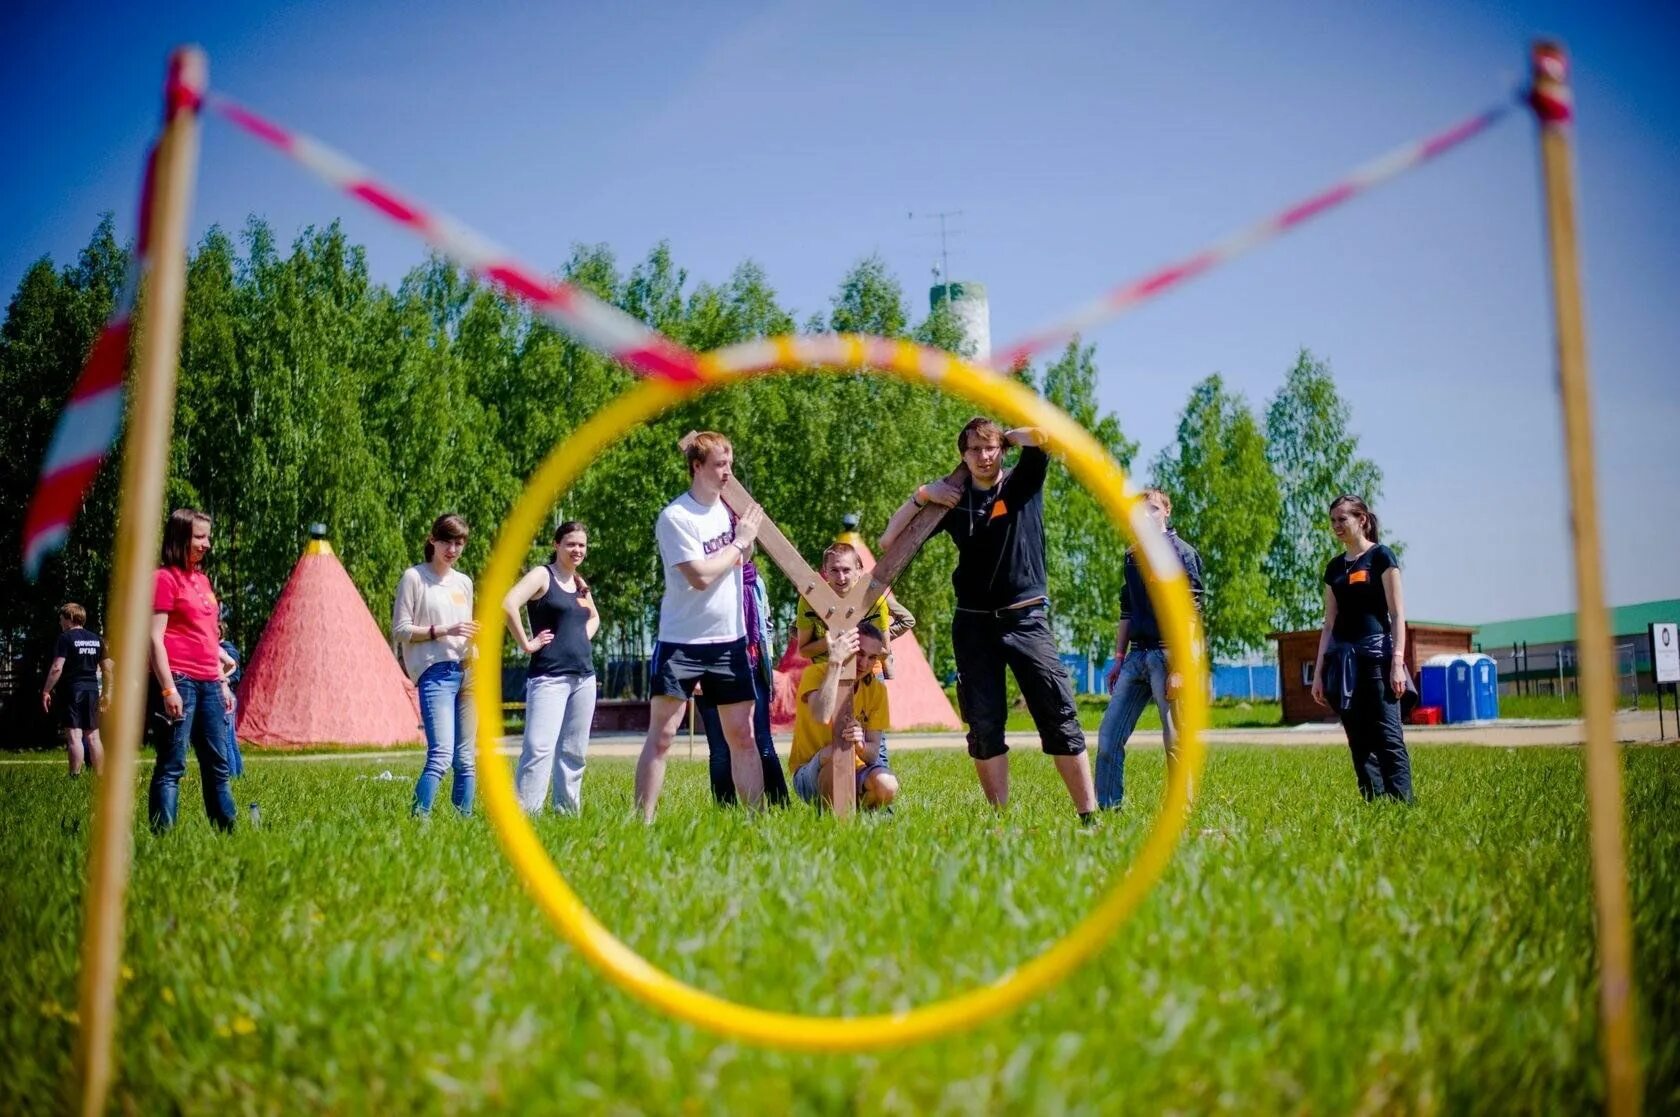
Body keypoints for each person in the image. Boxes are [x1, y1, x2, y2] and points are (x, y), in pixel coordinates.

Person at [882, 418, 1097, 820]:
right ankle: (1000, 820)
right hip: (974, 625)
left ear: (1002, 450)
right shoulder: (951, 501)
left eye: (990, 448)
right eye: (974, 450)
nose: (983, 457)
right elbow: (888, 542)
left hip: (1025, 618)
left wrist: (1010, 437)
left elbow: (1044, 436)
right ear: (962, 455)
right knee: (983, 724)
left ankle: (1089, 816)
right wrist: (922, 495)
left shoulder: (1022, 482)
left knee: (1058, 712)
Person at [634, 431, 765, 821]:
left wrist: (746, 540)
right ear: (696, 467)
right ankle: (642, 822)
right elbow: (701, 576)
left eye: (730, 464)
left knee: (742, 735)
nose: (728, 473)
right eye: (719, 465)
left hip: (730, 641)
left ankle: (757, 822)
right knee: (663, 735)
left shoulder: (729, 510)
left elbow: (746, 554)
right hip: (682, 643)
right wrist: (740, 543)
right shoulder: (675, 517)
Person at [1094, 488, 1204, 809]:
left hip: (1168, 656)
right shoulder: (1132, 555)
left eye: (1153, 509)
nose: (1146, 516)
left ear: (1166, 512)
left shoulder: (1182, 554)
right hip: (1135, 657)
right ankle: (1109, 809)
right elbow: (1126, 612)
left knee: (1174, 740)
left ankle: (1180, 812)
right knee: (1108, 738)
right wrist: (1117, 660)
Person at [1311, 494, 1414, 802]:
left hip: (1377, 659)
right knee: (1358, 737)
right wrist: (1318, 673)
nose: (1336, 526)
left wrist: (1397, 662)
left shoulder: (1382, 557)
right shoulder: (1334, 568)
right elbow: (1329, 624)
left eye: (1343, 519)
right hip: (1344, 662)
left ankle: (1403, 804)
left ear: (1362, 520)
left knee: (1388, 734)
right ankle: (1374, 803)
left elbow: (1397, 615)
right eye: (1332, 520)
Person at [147, 509, 238, 832]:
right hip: (180, 679)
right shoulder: (164, 579)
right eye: (200, 537)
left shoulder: (201, 580)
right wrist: (168, 688)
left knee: (218, 764)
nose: (207, 544)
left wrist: (222, 682)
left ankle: (229, 832)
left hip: (211, 683)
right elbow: (154, 638)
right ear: (180, 537)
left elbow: (208, 636)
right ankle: (163, 837)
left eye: (208, 537)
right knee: (173, 764)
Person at [503, 520, 600, 814]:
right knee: (539, 748)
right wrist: (526, 643)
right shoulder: (542, 576)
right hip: (549, 677)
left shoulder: (580, 583)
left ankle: (567, 813)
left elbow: (594, 617)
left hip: (584, 677)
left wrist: (580, 637)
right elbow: (508, 603)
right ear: (556, 545)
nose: (577, 550)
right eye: (571, 543)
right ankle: (526, 815)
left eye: (582, 545)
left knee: (573, 752)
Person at [792, 540, 916, 765]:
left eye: (847, 570)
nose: (841, 577)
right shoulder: (810, 600)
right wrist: (835, 643)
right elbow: (804, 649)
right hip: (827, 670)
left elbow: (883, 647)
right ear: (825, 573)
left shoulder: (875, 600)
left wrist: (855, 644)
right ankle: (828, 787)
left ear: (859, 571)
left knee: (871, 741)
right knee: (828, 737)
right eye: (835, 570)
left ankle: (878, 780)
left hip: (868, 672)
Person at [393, 514, 479, 817]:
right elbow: (401, 630)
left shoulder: (464, 582)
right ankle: (419, 819)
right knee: (441, 755)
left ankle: (462, 822)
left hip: (468, 672)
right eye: (447, 541)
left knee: (466, 758)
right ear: (433, 540)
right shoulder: (414, 577)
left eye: (459, 543)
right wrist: (444, 630)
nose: (453, 549)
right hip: (436, 674)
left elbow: (465, 628)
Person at [698, 547, 790, 807]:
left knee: (762, 741)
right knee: (719, 748)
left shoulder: (755, 580)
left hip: (752, 666)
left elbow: (766, 625)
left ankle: (779, 805)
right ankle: (725, 809)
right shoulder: (706, 581)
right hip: (713, 667)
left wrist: (766, 662)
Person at [789, 624, 899, 811]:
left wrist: (860, 744)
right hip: (810, 772)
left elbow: (873, 754)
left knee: (887, 785)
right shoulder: (816, 673)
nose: (864, 663)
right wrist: (835, 664)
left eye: (872, 658)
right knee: (834, 756)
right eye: (859, 653)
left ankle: (859, 820)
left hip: (855, 768)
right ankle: (835, 824)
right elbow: (821, 714)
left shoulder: (877, 690)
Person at [41, 602, 113, 776]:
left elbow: (57, 667)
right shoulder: (97, 639)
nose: (60, 623)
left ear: (69, 619)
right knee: (94, 736)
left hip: (73, 690)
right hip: (92, 691)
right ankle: (100, 776)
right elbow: (108, 668)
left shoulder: (65, 638)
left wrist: (46, 691)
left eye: (61, 619)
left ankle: (75, 775)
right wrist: (108, 692)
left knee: (74, 735)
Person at [219, 612, 244, 778]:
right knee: (230, 738)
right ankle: (238, 774)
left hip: (225, 695)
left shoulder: (226, 649)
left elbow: (234, 670)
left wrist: (223, 679)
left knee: (226, 739)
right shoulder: (225, 648)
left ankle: (233, 776)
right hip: (228, 696)